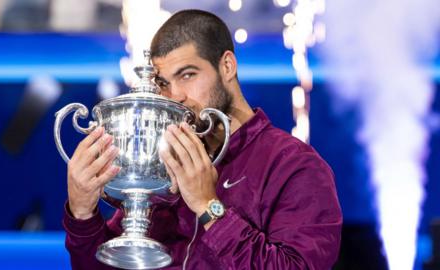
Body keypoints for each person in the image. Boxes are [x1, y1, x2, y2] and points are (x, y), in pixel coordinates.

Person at [63, 9, 342, 270]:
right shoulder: (163, 164)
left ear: (227, 66)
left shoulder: (294, 166)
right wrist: (83, 214)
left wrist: (209, 208)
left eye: (187, 75)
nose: (176, 96)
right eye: (163, 83)